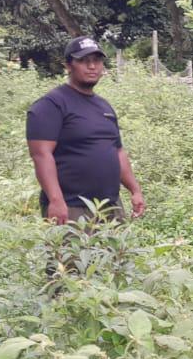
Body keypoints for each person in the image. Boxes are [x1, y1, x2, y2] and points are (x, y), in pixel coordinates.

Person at [26, 36, 145, 226]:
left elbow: (117, 151)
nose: (92, 66)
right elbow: (41, 155)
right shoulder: (51, 105)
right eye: (83, 61)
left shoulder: (104, 106)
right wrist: (56, 200)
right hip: (71, 208)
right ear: (68, 65)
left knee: (117, 248)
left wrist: (135, 190)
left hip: (110, 207)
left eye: (97, 60)